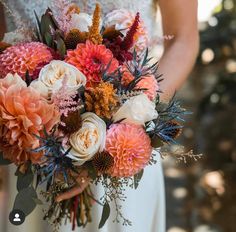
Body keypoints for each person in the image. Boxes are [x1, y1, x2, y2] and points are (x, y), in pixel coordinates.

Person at [1, 0, 199, 231]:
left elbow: (183, 39)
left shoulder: (127, 126)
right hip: (29, 142)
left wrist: (134, 111)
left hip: (123, 146)